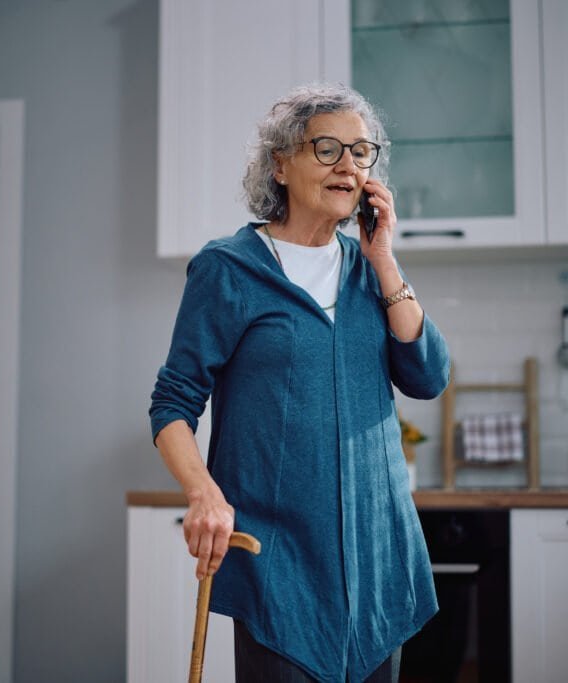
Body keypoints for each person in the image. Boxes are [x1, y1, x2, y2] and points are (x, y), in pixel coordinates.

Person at [149, 83, 451, 683]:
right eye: (329, 148)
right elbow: (172, 403)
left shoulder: (368, 269)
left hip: (377, 557)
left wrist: (385, 258)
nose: (349, 165)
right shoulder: (229, 269)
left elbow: (428, 376)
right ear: (281, 163)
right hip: (279, 564)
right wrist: (203, 492)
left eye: (362, 152)